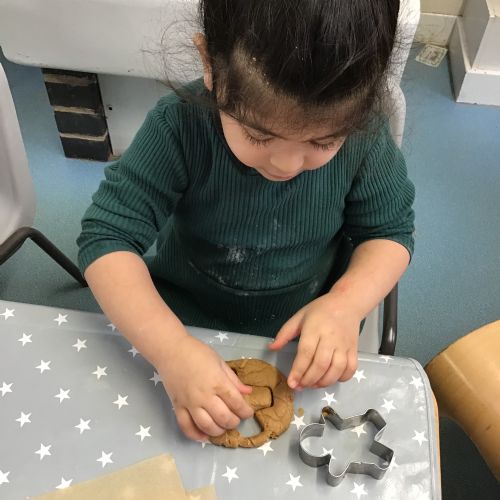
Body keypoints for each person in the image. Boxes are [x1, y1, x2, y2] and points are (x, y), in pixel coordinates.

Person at [77, 0, 415, 442]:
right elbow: (106, 239)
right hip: (179, 319)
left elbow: (389, 234)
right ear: (210, 67)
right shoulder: (179, 124)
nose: (288, 163)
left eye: (324, 140)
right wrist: (170, 349)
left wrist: (346, 304)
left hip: (305, 335)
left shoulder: (366, 134)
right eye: (259, 134)